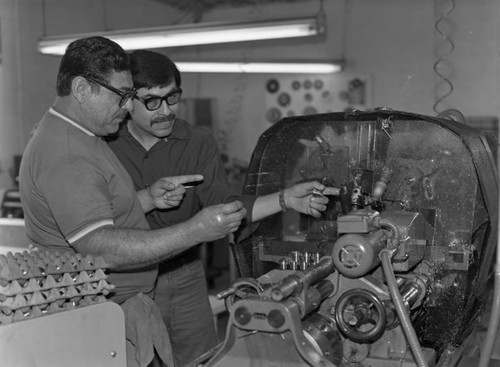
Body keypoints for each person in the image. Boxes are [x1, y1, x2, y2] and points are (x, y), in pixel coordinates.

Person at [18, 36, 249, 367]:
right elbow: (99, 246)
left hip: (111, 305)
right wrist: (194, 231)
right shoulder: (69, 154)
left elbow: (97, 212)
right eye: (122, 96)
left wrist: (147, 199)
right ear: (82, 90)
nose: (128, 106)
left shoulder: (87, 135)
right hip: (93, 314)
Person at [106, 49, 329, 366]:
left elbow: (223, 202)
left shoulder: (197, 142)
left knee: (201, 360)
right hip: (125, 281)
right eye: (152, 101)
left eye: (172, 98)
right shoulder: (105, 145)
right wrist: (144, 198)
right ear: (127, 102)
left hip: (185, 278)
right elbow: (94, 215)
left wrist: (286, 199)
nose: (166, 110)